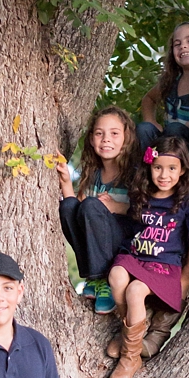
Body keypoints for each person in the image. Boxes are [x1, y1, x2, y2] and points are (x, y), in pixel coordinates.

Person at [106, 137, 189, 378]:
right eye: (158, 167)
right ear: (149, 166)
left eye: (171, 168)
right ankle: (129, 335)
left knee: (135, 290)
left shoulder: (185, 198)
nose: (164, 175)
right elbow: (133, 225)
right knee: (116, 277)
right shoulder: (141, 193)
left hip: (163, 265)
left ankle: (130, 356)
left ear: (182, 171)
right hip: (136, 256)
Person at [56, 106, 137, 314]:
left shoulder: (133, 173)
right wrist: (66, 181)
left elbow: (146, 212)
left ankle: (107, 281)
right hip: (99, 244)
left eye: (114, 133)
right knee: (68, 206)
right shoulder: (93, 174)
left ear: (126, 138)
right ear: (91, 139)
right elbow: (76, 214)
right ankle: (94, 278)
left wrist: (115, 206)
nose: (106, 139)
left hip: (123, 243)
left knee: (91, 205)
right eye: (99, 133)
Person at [136, 19, 189, 187]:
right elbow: (148, 99)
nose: (183, 46)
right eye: (177, 44)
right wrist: (151, 121)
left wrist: (187, 125)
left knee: (175, 128)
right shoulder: (171, 82)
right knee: (144, 129)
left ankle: (182, 182)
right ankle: (149, 179)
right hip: (170, 145)